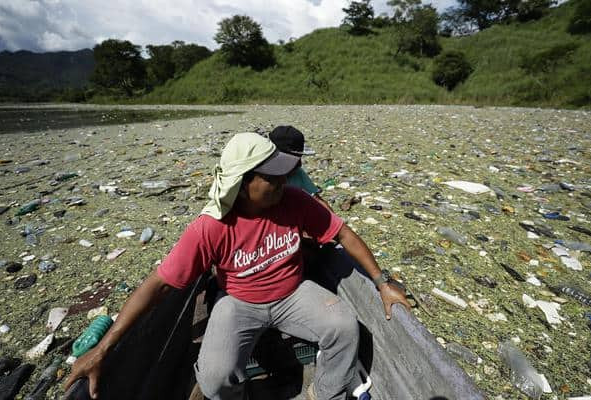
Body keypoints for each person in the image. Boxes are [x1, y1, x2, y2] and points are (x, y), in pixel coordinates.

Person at [64, 132, 410, 400]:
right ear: (243, 184)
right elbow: (158, 285)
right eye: (270, 177)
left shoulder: (295, 201)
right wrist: (103, 348)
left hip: (293, 293)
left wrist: (381, 283)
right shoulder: (210, 226)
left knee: (345, 326)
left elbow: (344, 235)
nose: (281, 182)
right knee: (214, 377)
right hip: (239, 303)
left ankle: (325, 392)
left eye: (282, 175)